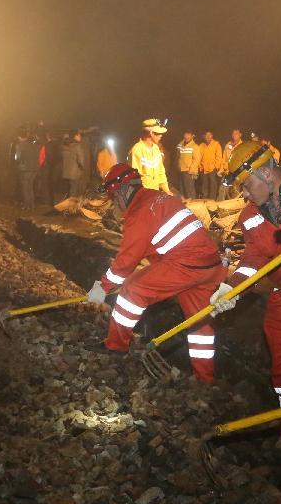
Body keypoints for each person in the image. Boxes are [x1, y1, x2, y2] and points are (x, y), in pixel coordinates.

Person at [211, 141, 281, 452]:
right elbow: (254, 258)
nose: (244, 194)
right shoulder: (250, 216)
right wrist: (231, 287)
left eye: (246, 185)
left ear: (268, 173)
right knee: (280, 372)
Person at [86, 163, 224, 382]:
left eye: (114, 197)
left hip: (185, 264)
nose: (115, 203)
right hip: (209, 266)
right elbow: (160, 250)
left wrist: (102, 287)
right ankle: (205, 379)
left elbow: (126, 261)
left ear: (124, 190)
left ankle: (116, 346)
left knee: (132, 289)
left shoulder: (140, 211)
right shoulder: (157, 198)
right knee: (199, 323)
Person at [128, 118, 171, 193]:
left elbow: (161, 171)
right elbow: (134, 178)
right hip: (143, 195)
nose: (161, 136)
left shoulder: (156, 149)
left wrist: (167, 190)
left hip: (155, 194)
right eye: (158, 133)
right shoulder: (137, 150)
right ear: (151, 133)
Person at [15, 130, 41, 210]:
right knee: (30, 187)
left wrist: (16, 158)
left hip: (25, 169)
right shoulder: (34, 145)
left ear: (19, 137)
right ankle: (32, 205)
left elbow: (18, 158)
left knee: (25, 188)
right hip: (35, 169)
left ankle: (26, 206)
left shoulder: (20, 145)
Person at [218, 128, 244, 199]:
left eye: (236, 134)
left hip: (237, 172)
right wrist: (221, 170)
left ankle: (235, 208)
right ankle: (220, 206)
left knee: (235, 191)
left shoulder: (243, 146)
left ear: (240, 135)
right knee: (222, 190)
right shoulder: (228, 144)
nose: (234, 136)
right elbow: (224, 159)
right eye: (233, 134)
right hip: (227, 172)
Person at [176, 130, 201, 198]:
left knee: (189, 190)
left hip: (188, 171)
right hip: (181, 170)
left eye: (188, 134)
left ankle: (192, 205)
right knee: (182, 190)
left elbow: (197, 159)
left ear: (192, 136)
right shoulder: (181, 145)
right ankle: (183, 205)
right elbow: (177, 151)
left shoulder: (194, 146)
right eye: (185, 134)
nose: (186, 136)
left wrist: (191, 170)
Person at [61, 130, 86, 197]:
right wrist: (83, 168)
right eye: (79, 135)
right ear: (75, 136)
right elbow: (81, 160)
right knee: (74, 190)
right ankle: (71, 206)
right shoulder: (77, 146)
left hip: (66, 172)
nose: (80, 137)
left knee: (70, 189)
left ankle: (68, 204)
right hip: (75, 172)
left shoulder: (65, 146)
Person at [199, 131, 223, 199]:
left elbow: (219, 157)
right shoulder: (201, 145)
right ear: (204, 136)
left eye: (210, 135)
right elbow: (199, 157)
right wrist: (200, 166)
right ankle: (205, 200)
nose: (208, 136)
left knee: (213, 186)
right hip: (204, 169)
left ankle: (212, 200)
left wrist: (216, 167)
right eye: (206, 135)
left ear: (212, 136)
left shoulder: (216, 144)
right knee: (204, 186)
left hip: (213, 169)